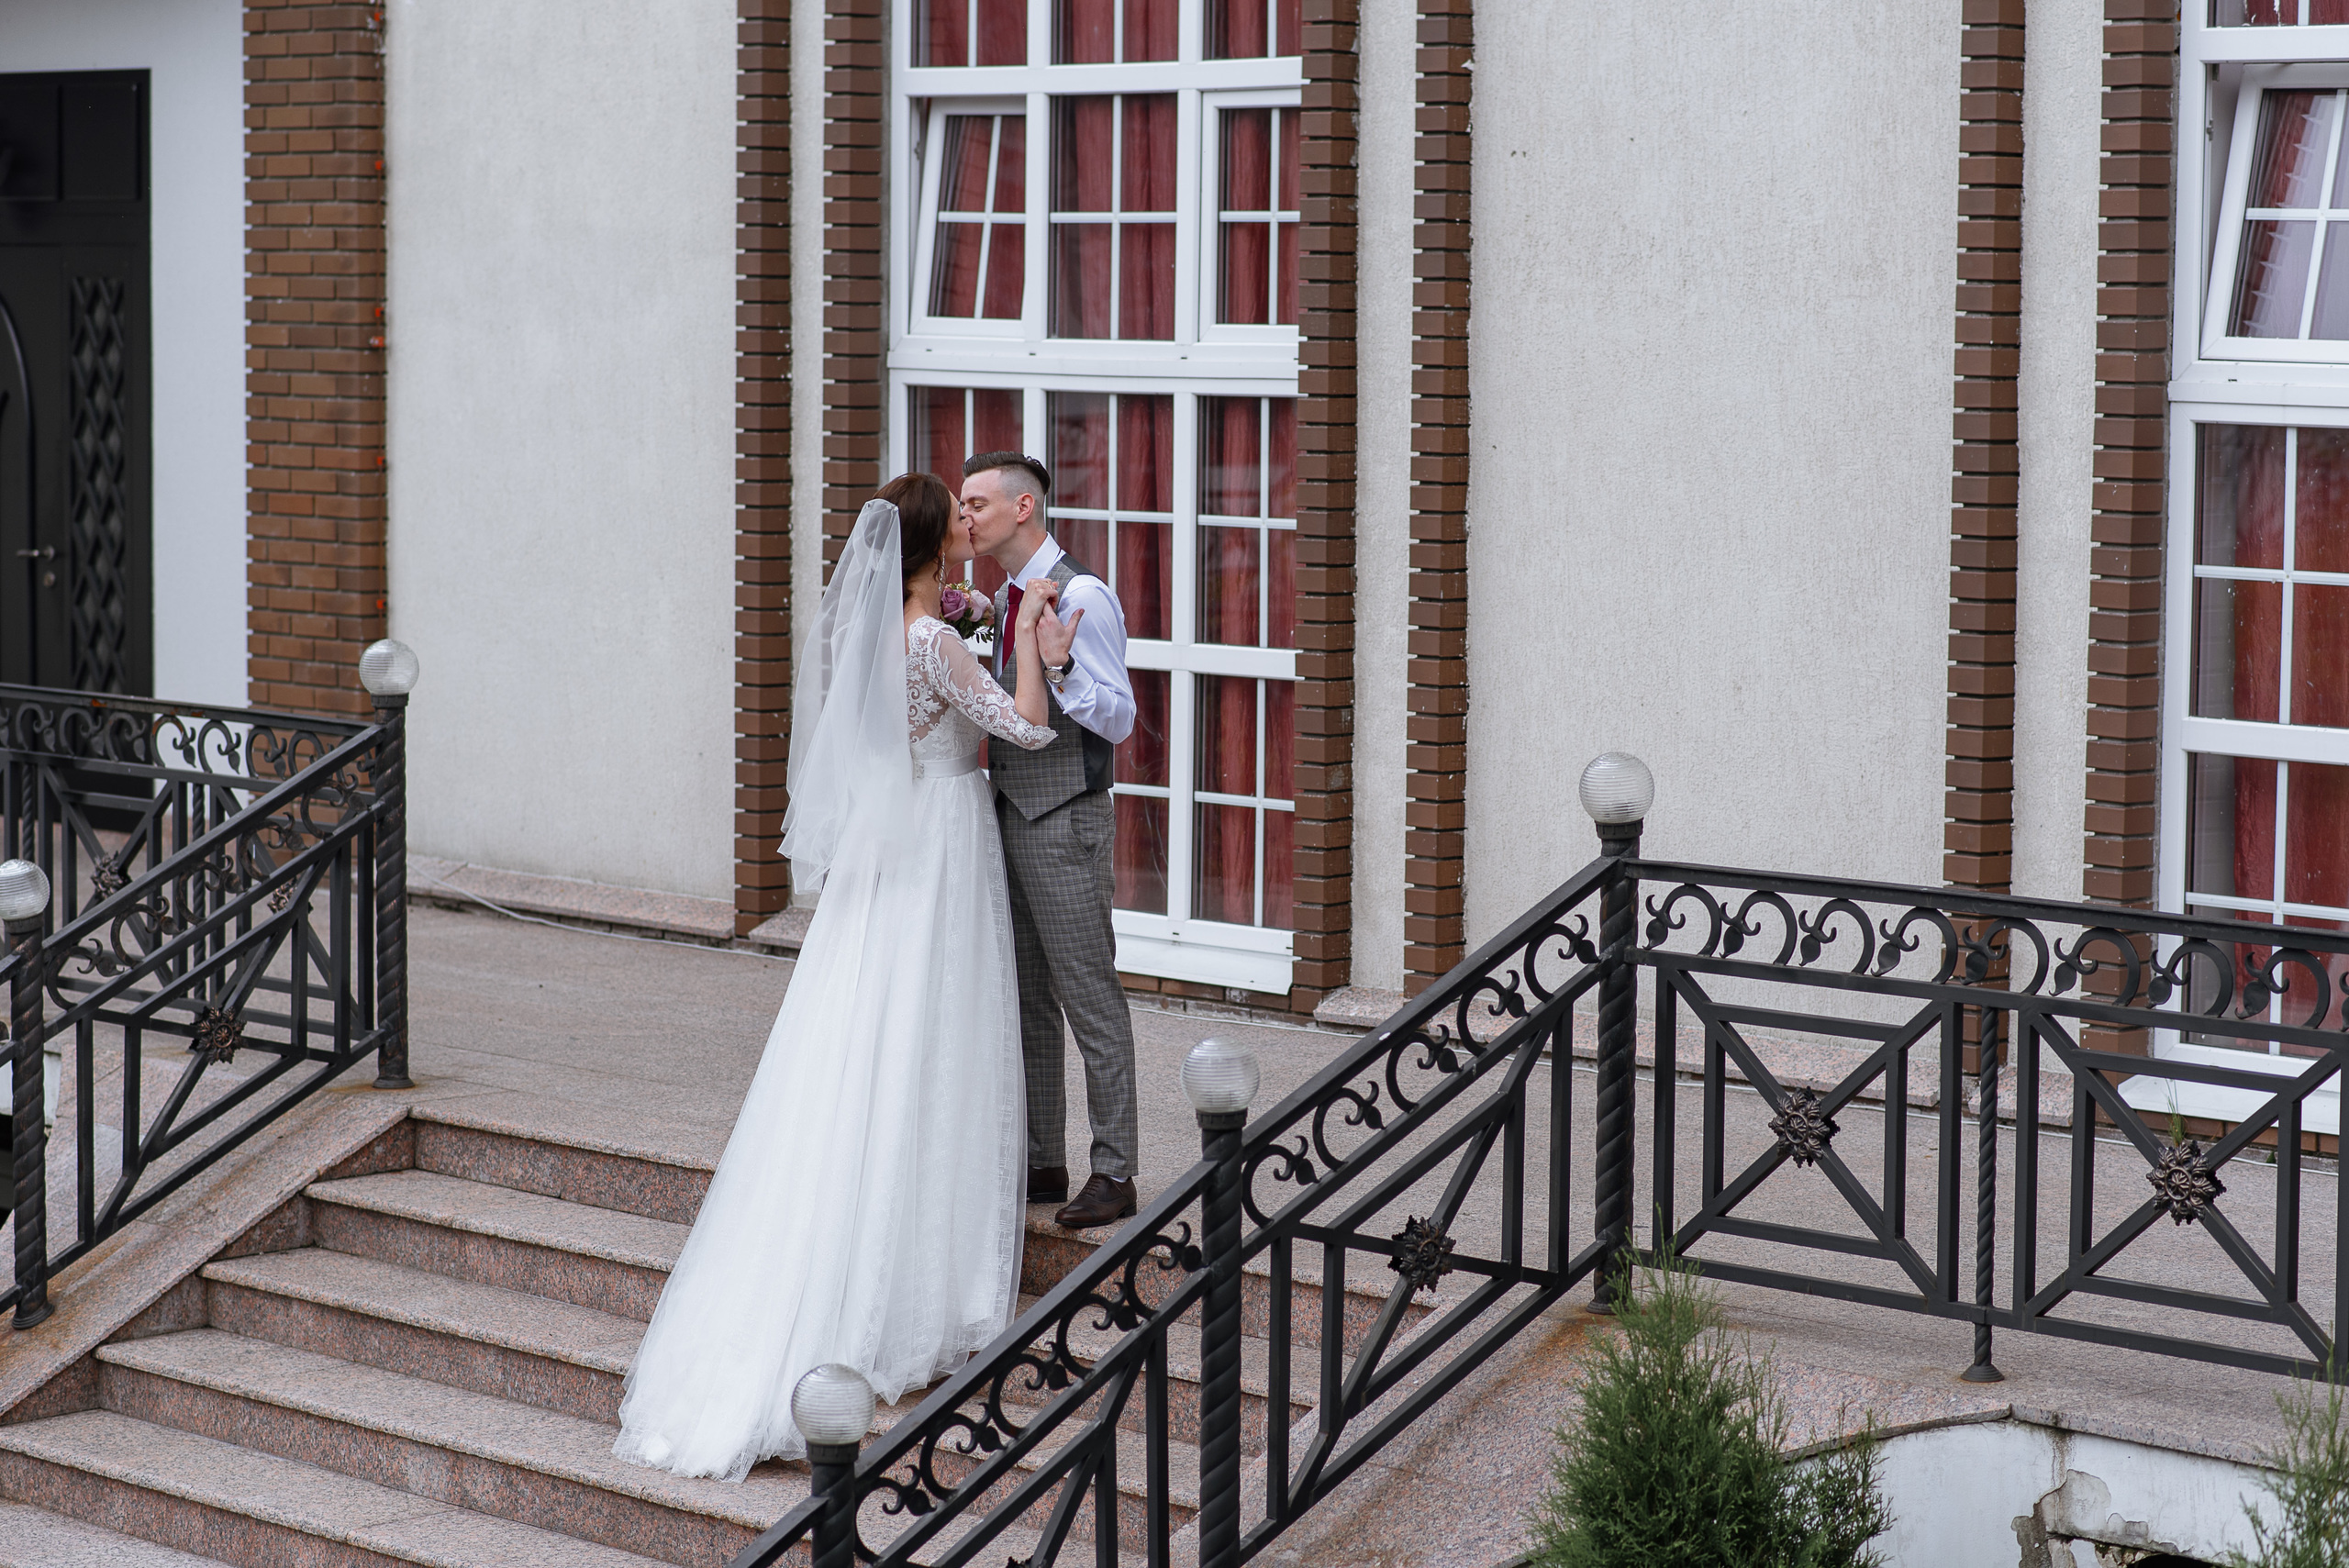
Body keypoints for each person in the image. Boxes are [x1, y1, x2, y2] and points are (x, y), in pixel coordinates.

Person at [612, 473, 1078, 1479]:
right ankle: (911, 1303)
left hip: (890, 852)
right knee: (933, 1041)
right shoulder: (935, 642)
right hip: (945, 845)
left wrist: (982, 617)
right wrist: (1034, 623)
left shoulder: (883, 636)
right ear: (932, 550)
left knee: (868, 1039)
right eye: (955, 520)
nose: (969, 524)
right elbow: (1025, 727)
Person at [960, 452, 1141, 1231]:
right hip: (1009, 812)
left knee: (1087, 993)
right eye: (961, 505)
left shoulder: (1084, 594)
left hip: (1066, 815)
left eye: (977, 503)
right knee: (1028, 997)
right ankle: (1045, 1156)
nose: (964, 516)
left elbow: (1120, 719)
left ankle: (1116, 1168)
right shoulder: (999, 598)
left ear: (1024, 507)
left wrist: (1061, 666)